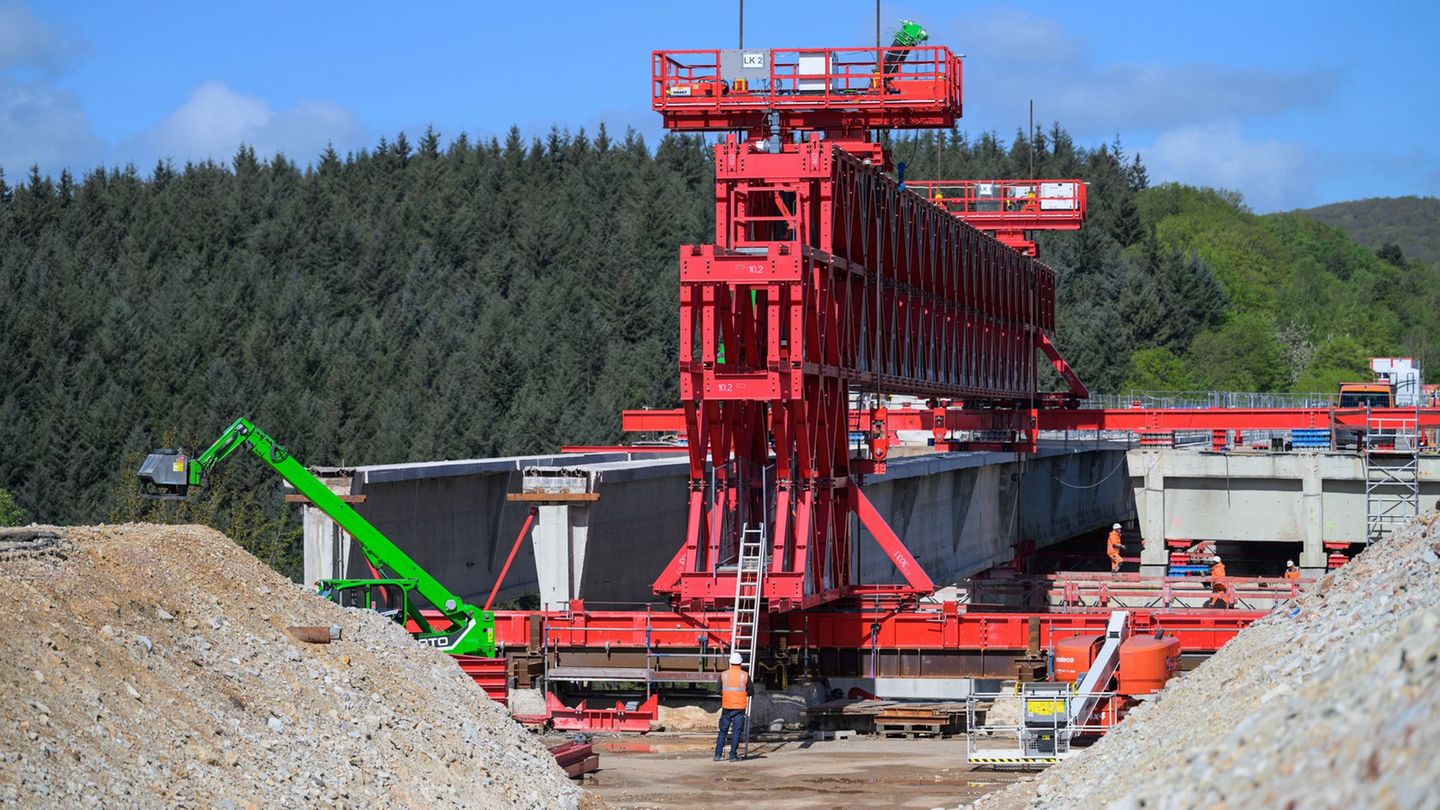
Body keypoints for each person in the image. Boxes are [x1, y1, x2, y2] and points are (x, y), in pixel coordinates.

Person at [714, 651, 753, 762]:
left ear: (730, 663)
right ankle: (732, 756)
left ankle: (717, 755)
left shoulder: (723, 675)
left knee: (723, 731)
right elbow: (750, 691)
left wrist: (727, 695)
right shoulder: (745, 675)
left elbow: (718, 691)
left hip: (726, 707)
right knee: (736, 732)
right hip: (739, 708)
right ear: (740, 663)